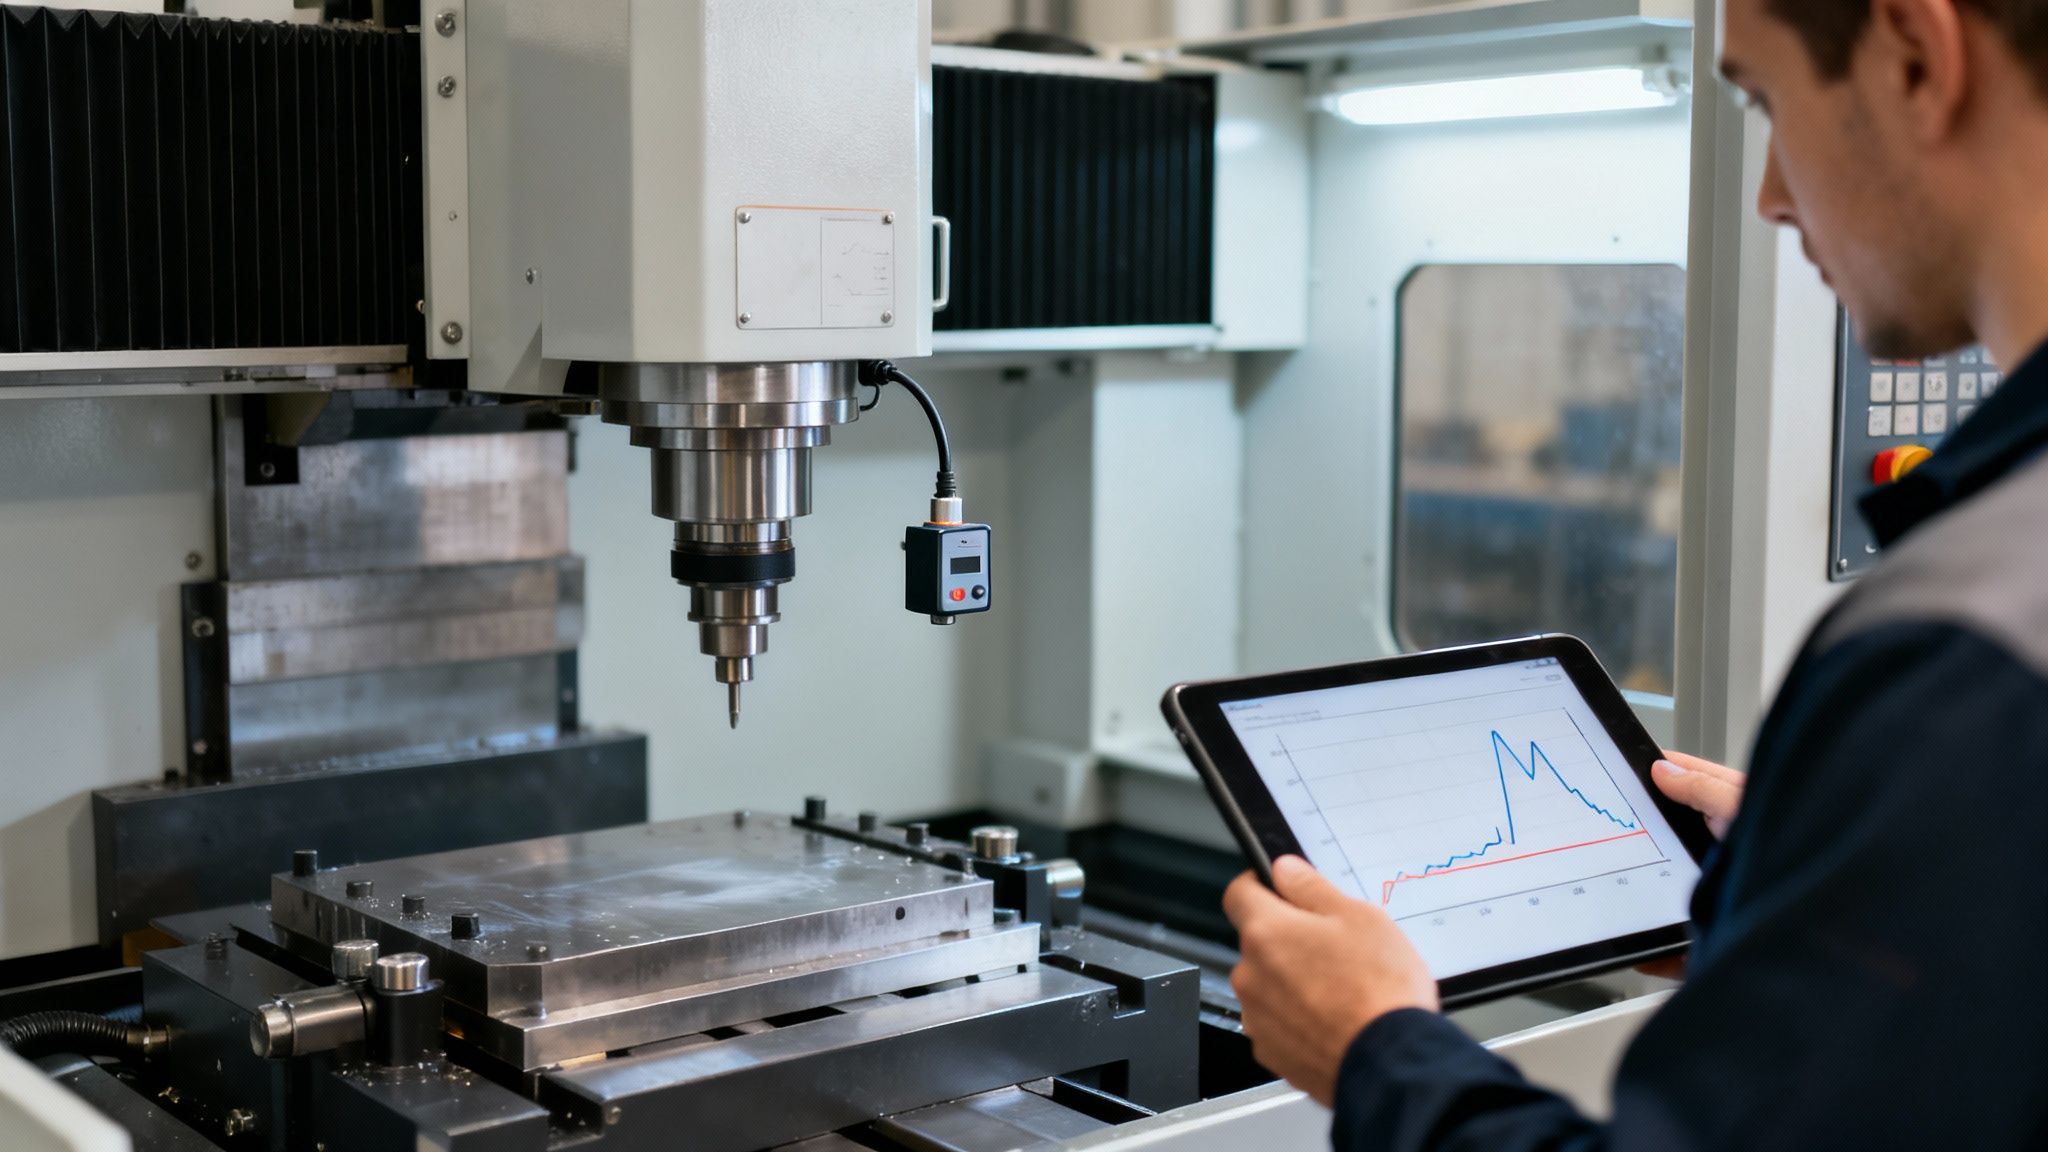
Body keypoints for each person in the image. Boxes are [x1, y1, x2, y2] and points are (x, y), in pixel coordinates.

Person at [1222, 0, 2048, 1147]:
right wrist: (1827, 881)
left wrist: (1372, 1050)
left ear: (1915, 56)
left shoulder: (1964, 642)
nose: (1766, 195)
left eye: (1765, 101)